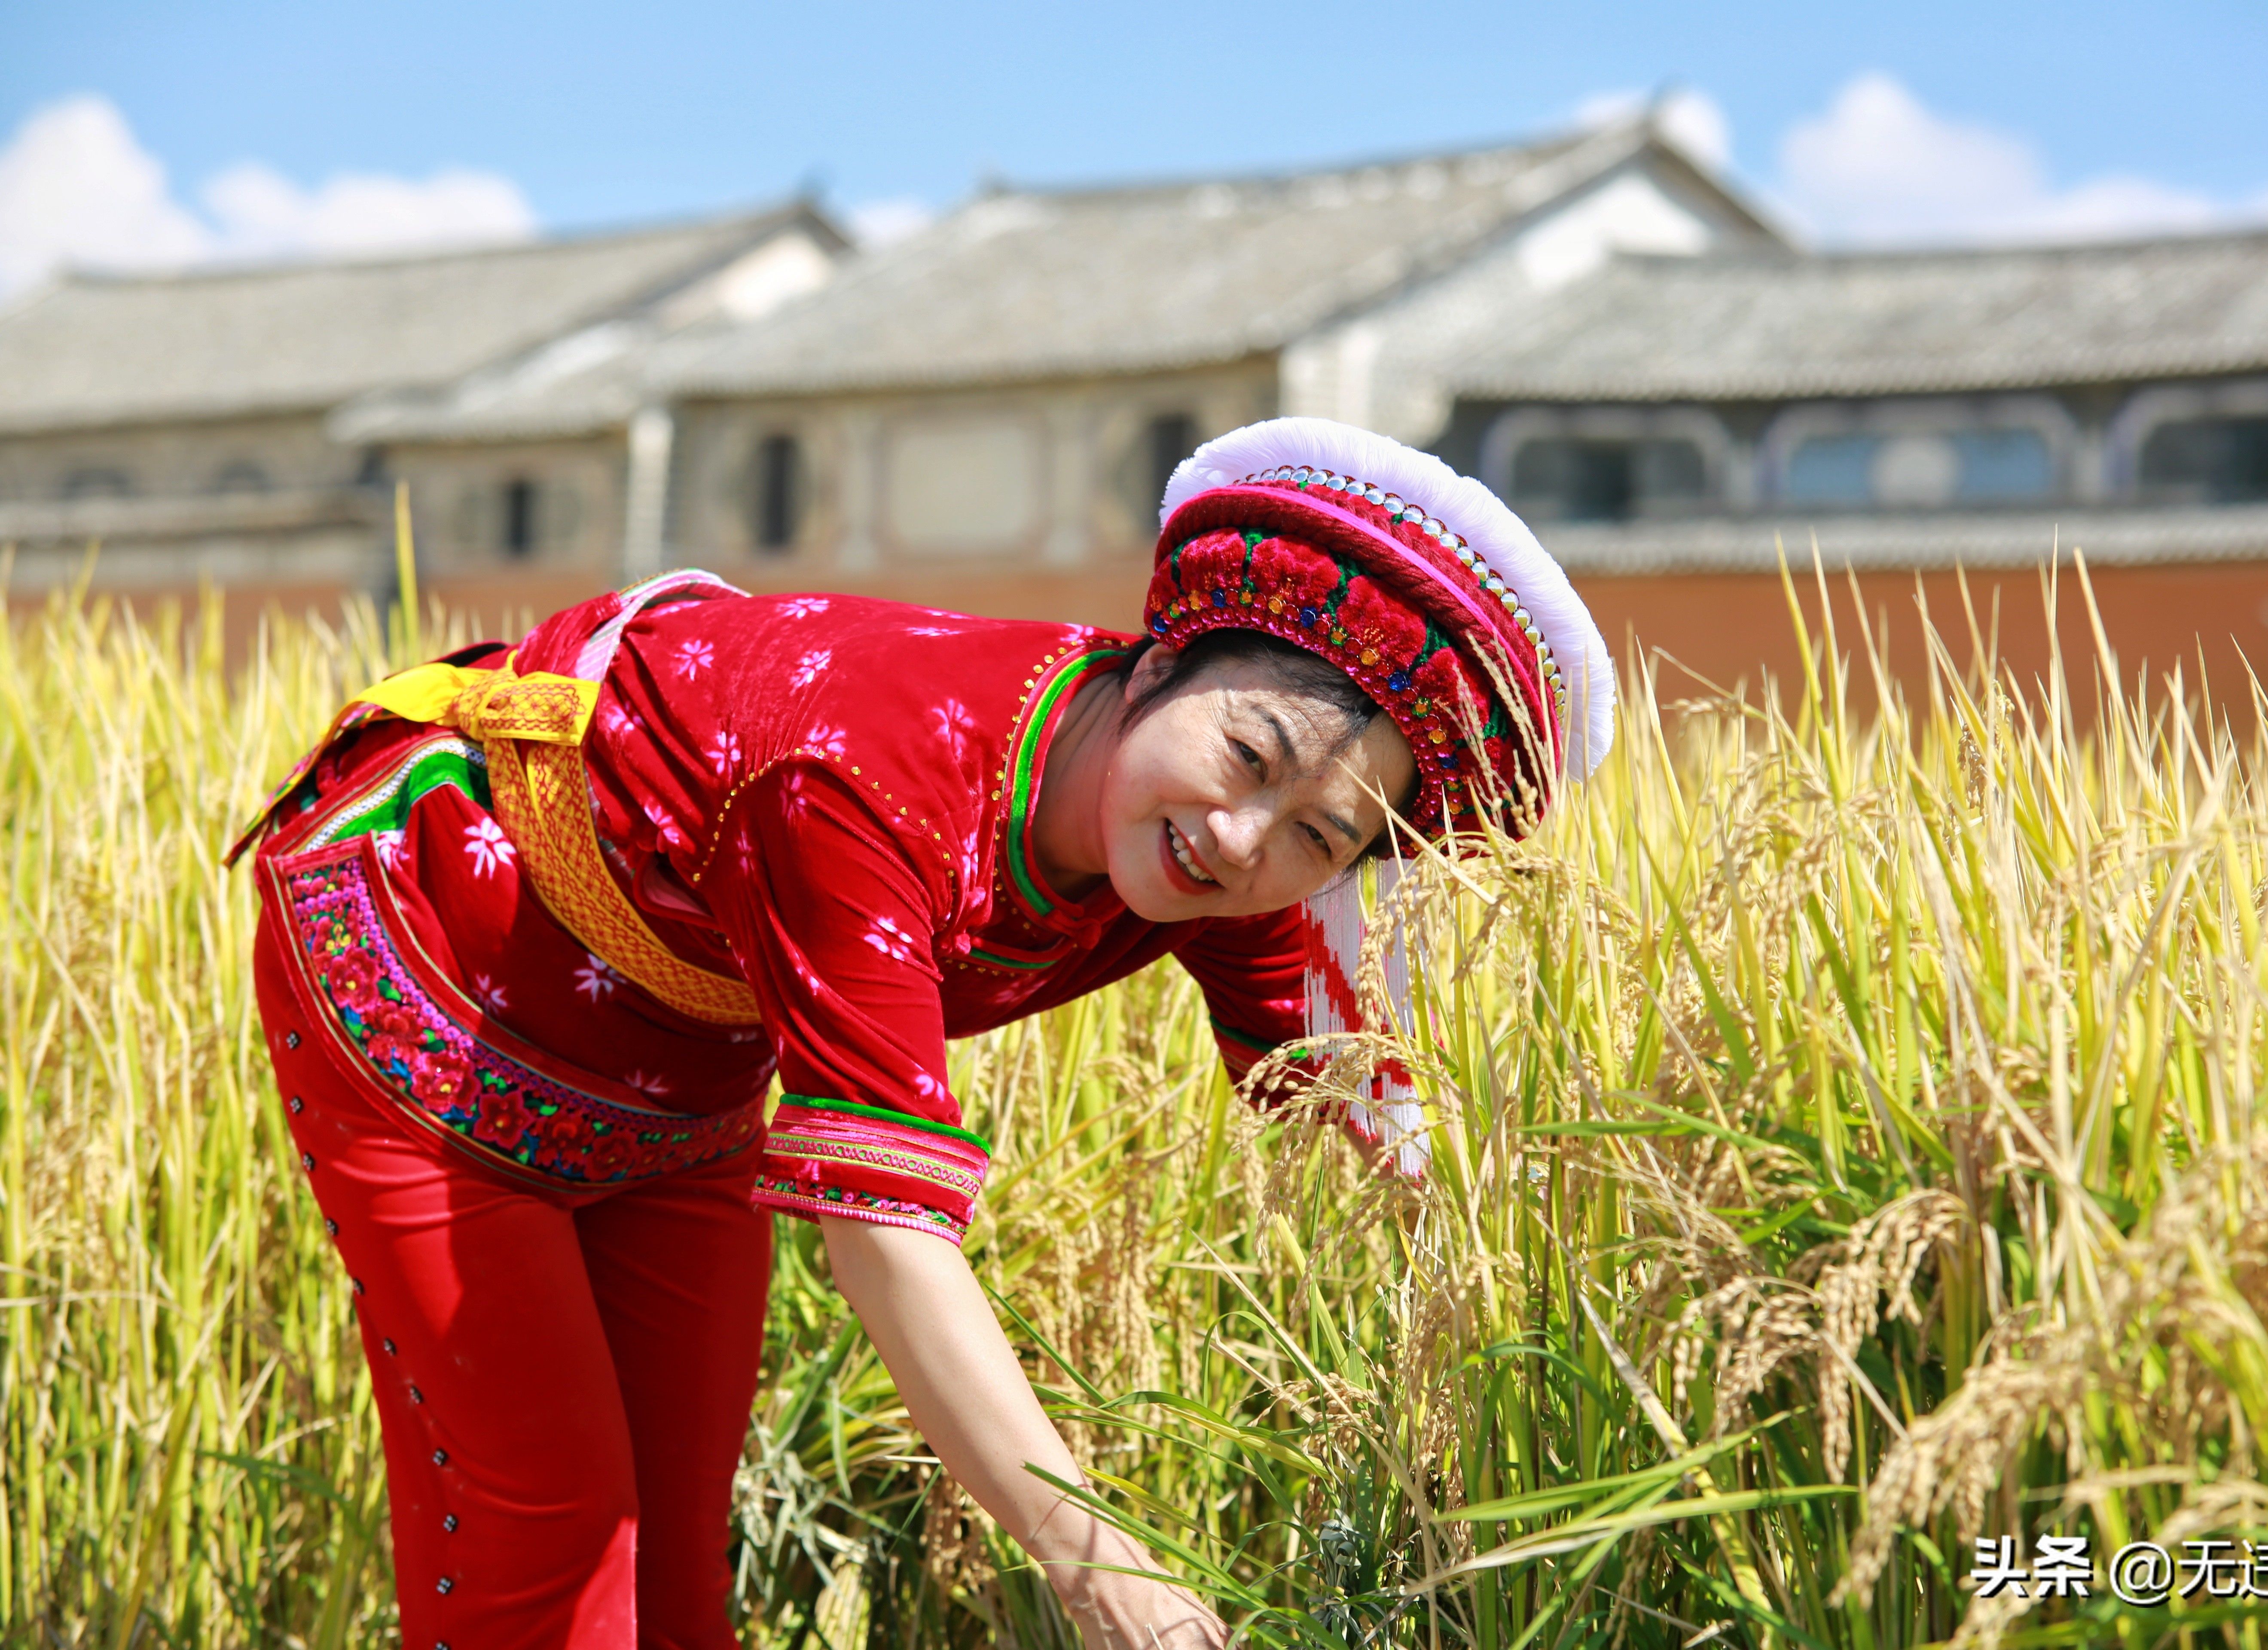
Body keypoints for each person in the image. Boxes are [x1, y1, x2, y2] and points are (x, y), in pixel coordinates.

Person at [231, 417, 1615, 1648]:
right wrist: (1097, 1564)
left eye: (1320, 833)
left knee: (674, 1553)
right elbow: (884, 1236)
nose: (1245, 837)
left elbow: (1340, 1097)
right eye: (1246, 755)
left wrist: (1506, 1296)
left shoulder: (1212, 862)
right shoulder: (865, 780)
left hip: (678, 1067)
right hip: (434, 980)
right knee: (557, 1524)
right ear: (1160, 665)